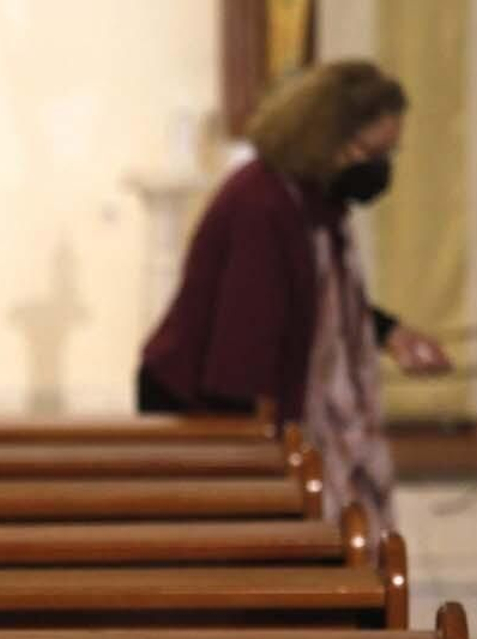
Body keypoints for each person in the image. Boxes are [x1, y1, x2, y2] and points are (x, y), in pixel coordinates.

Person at [138, 60, 452, 530]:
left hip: (251, 400)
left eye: (390, 153)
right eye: (373, 151)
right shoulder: (262, 205)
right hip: (210, 408)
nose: (380, 168)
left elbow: (317, 297)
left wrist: (385, 333)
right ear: (326, 137)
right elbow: (244, 349)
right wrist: (277, 466)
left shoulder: (311, 197)